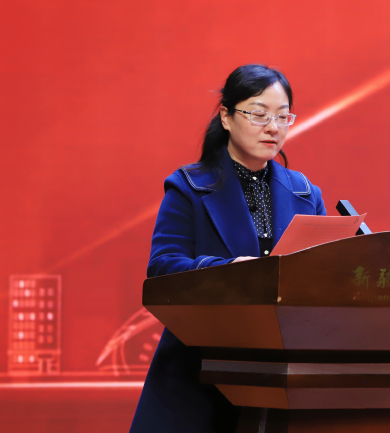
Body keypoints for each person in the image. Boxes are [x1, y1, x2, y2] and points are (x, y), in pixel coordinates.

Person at [130, 64, 326, 433]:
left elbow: (321, 278)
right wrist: (230, 270)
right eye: (259, 114)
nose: (273, 127)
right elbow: (163, 269)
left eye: (283, 116)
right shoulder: (189, 187)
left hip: (280, 374)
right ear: (226, 117)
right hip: (200, 371)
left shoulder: (305, 193)